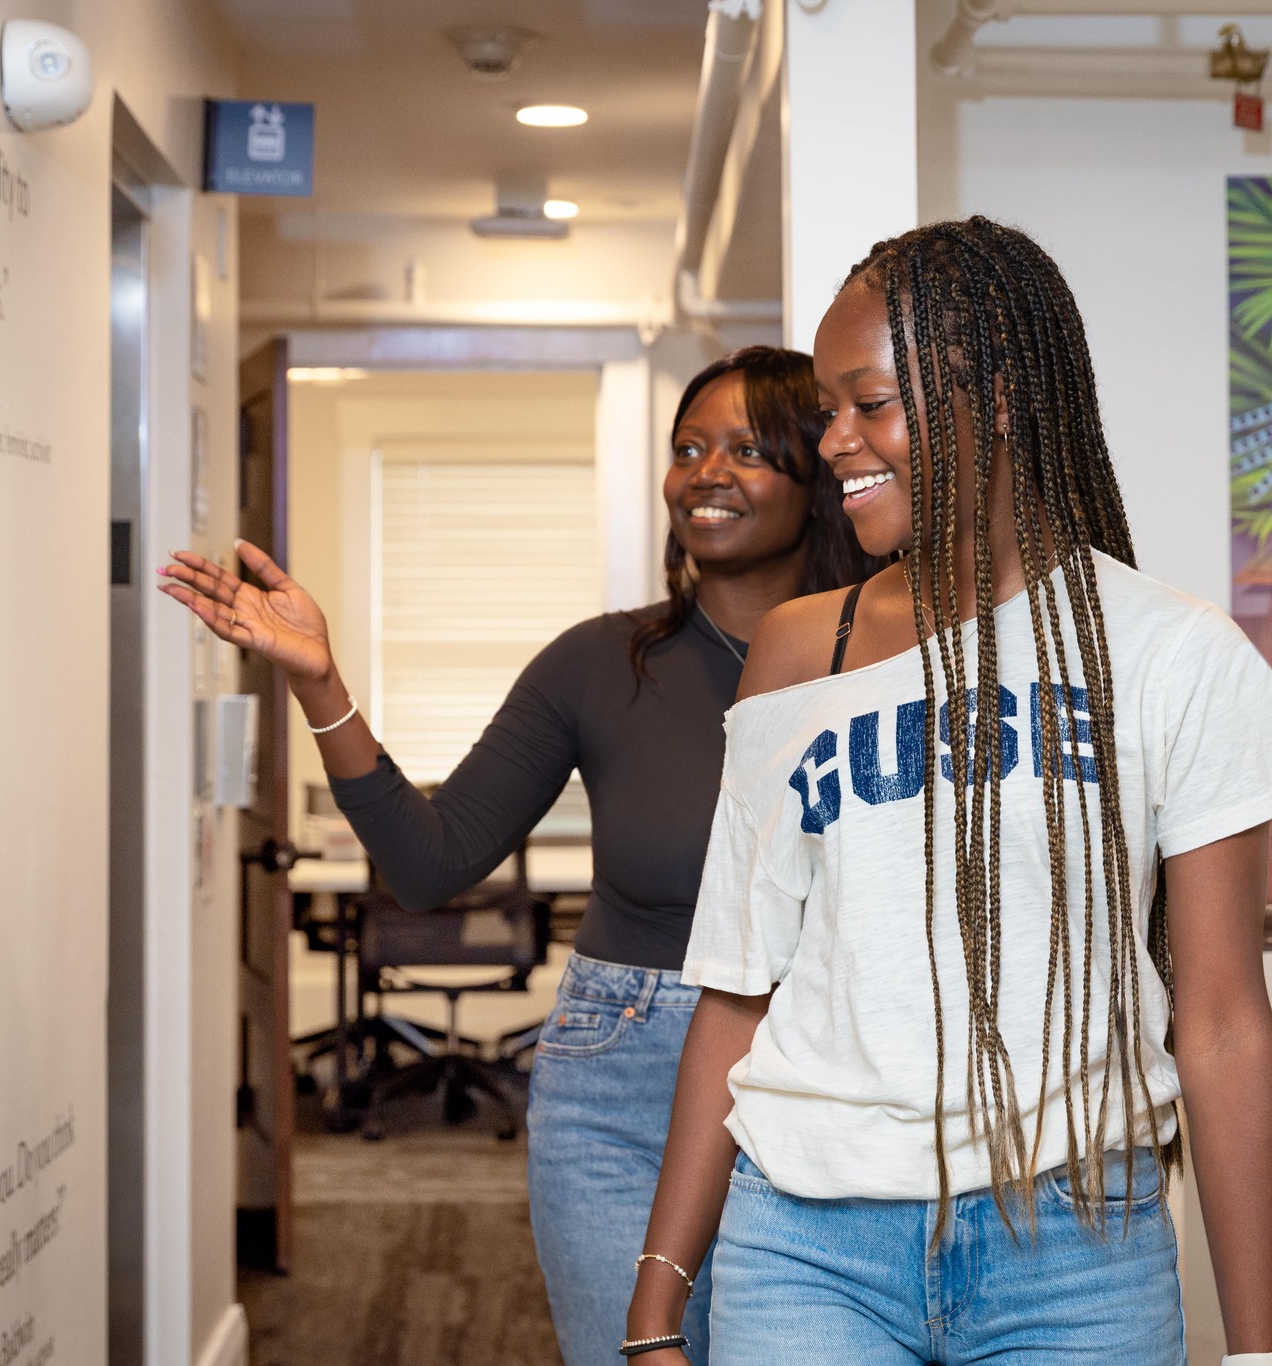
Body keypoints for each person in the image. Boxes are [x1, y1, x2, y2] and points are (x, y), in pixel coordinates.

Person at [623, 219, 1272, 1366]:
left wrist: (1257, 1353)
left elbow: (1219, 1023)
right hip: (806, 1242)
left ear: (991, 399)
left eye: (868, 405)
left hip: (1075, 1252)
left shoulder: (1171, 656)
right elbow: (739, 989)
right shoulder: (803, 649)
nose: (833, 443)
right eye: (826, 413)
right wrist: (656, 1302)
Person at [157, 347, 880, 1366]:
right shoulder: (600, 665)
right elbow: (429, 860)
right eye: (686, 448)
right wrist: (319, 682)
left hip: (826, 1068)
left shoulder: (890, 667)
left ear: (820, 477)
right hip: (621, 1079)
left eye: (747, 451)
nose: (703, 472)